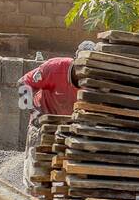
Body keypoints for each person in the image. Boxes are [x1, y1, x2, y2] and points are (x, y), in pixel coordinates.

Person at [20, 40, 95, 188]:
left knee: (63, 180)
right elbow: (23, 83)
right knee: (36, 177)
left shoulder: (94, 81)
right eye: (82, 65)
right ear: (75, 60)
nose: (85, 70)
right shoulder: (55, 68)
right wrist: (33, 112)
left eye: (90, 66)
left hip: (70, 131)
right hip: (42, 125)